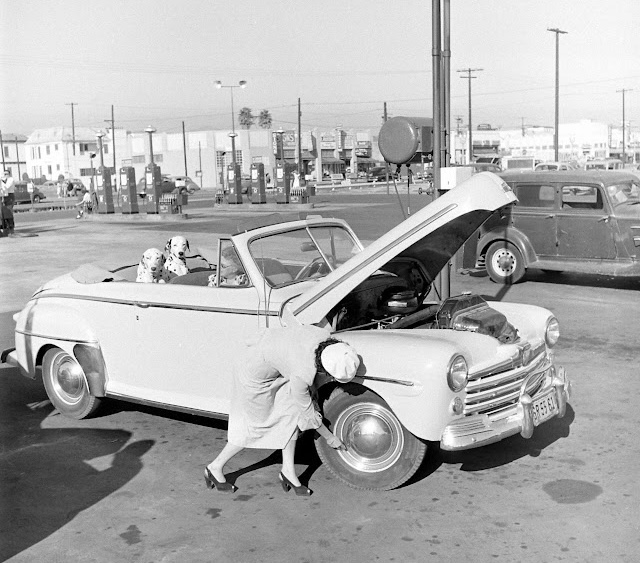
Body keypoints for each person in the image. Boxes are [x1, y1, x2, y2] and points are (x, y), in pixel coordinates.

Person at [205, 324, 360, 496]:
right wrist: (330, 438)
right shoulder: (302, 372)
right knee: (256, 426)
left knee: (290, 415)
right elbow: (308, 414)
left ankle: (288, 471)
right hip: (253, 374)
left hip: (273, 363)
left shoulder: (322, 336)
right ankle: (215, 467)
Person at [1, 170, 16, 236]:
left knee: (9, 211)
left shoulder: (11, 179)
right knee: (3, 212)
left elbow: (6, 187)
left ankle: (11, 227)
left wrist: (2, 186)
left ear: (9, 174)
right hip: (3, 196)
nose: (5, 175)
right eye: (4, 174)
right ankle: (5, 227)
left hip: (9, 196)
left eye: (6, 174)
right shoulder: (3, 179)